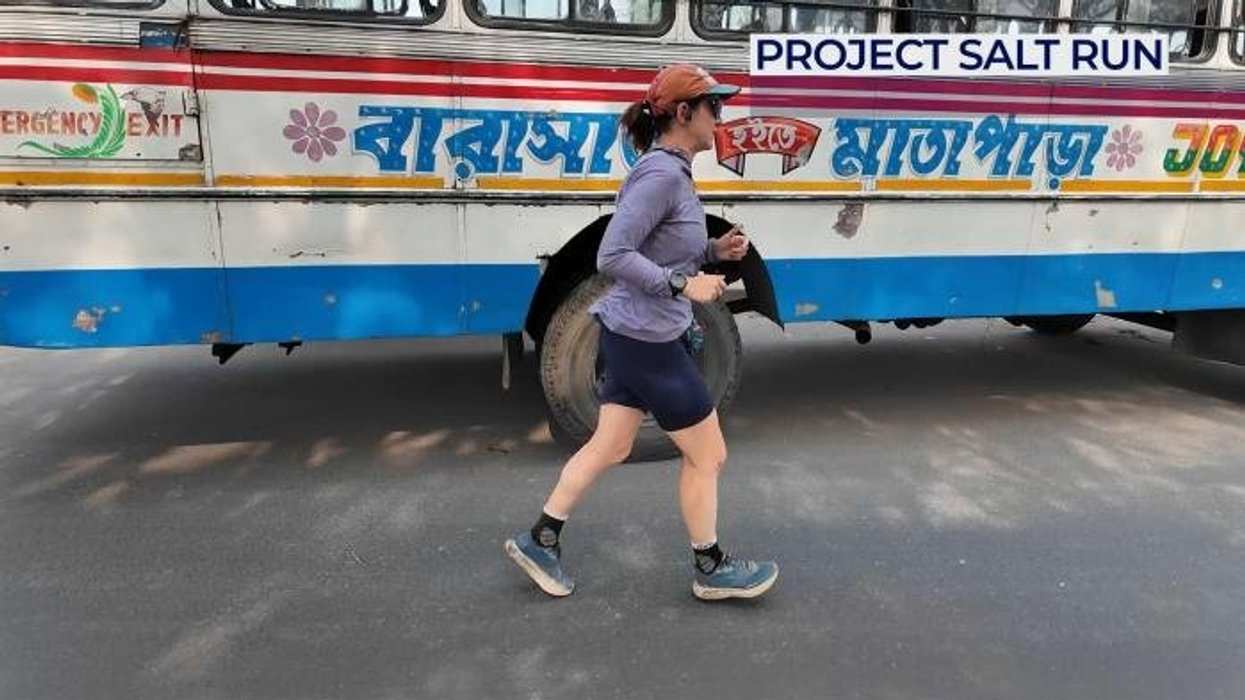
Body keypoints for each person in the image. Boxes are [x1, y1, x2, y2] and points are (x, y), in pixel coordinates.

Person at [504, 64, 778, 601]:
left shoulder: (671, 171)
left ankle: (541, 539)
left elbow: (661, 247)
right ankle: (710, 567)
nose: (720, 117)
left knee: (610, 446)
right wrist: (683, 284)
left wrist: (713, 251)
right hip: (648, 341)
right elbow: (613, 255)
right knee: (709, 455)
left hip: (633, 335)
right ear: (684, 113)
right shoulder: (661, 176)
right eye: (714, 107)